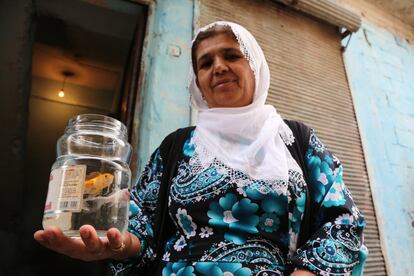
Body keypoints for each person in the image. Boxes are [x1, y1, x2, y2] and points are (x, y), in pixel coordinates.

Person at [34, 21, 367, 275]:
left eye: (232, 55)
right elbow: (140, 225)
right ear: (199, 84)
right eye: (205, 63)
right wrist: (116, 243)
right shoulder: (176, 147)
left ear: (256, 66)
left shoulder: (296, 140)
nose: (218, 67)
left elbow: (344, 222)